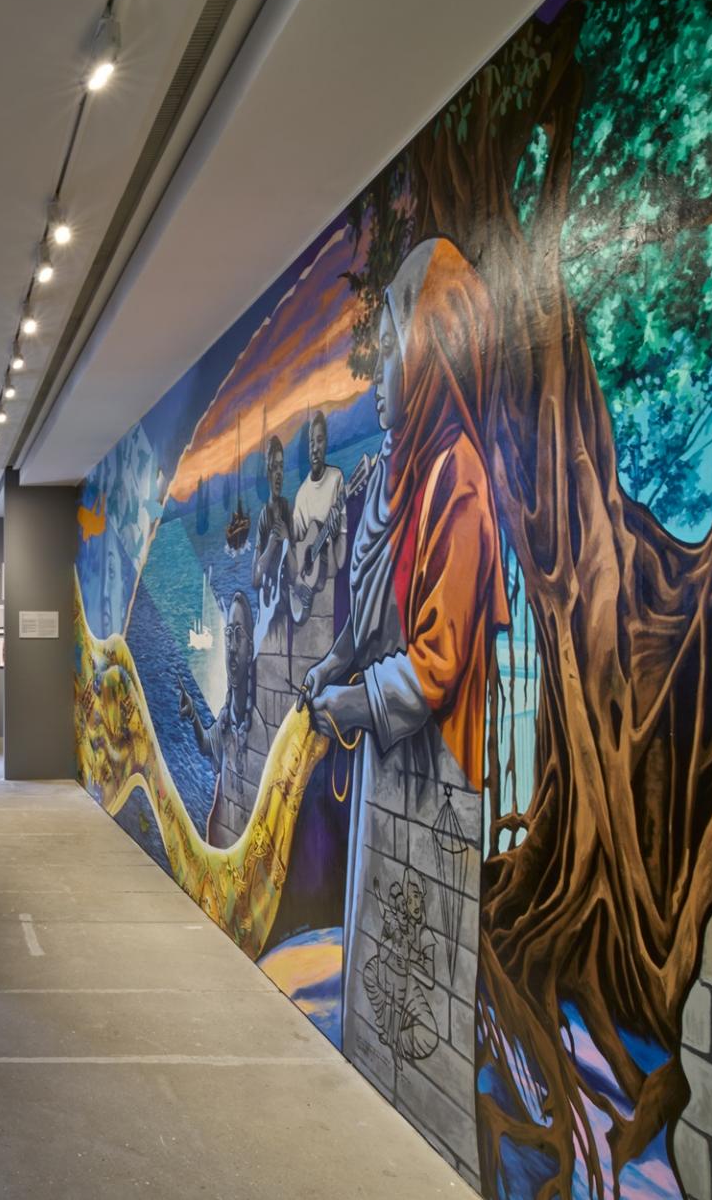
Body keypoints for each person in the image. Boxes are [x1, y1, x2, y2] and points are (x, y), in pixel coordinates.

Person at [298, 236, 509, 1068]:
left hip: (435, 775)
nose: (376, 373)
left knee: (417, 988)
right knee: (376, 956)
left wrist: (354, 704)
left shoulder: (458, 477)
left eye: (389, 351)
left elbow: (436, 662)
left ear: (428, 358)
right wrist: (335, 662)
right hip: (388, 766)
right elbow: (371, 608)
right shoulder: (394, 470)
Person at [180, 591, 255, 846]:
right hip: (219, 846)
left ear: (250, 650)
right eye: (228, 635)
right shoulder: (226, 719)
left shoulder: (259, 727)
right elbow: (206, 744)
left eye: (238, 636)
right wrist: (193, 714)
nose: (232, 648)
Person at [285, 410, 347, 624]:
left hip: (331, 580)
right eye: (311, 442)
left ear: (326, 443)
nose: (314, 448)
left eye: (319, 441)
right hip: (310, 587)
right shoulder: (302, 495)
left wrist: (337, 532)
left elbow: (342, 553)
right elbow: (297, 548)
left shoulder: (336, 478)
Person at [251, 434, 294, 635]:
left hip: (288, 609)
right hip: (269, 613)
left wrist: (286, 540)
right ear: (268, 473)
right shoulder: (263, 517)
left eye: (281, 467)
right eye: (274, 467)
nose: (278, 474)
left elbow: (295, 573)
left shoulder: (287, 510)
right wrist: (270, 546)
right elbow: (255, 578)